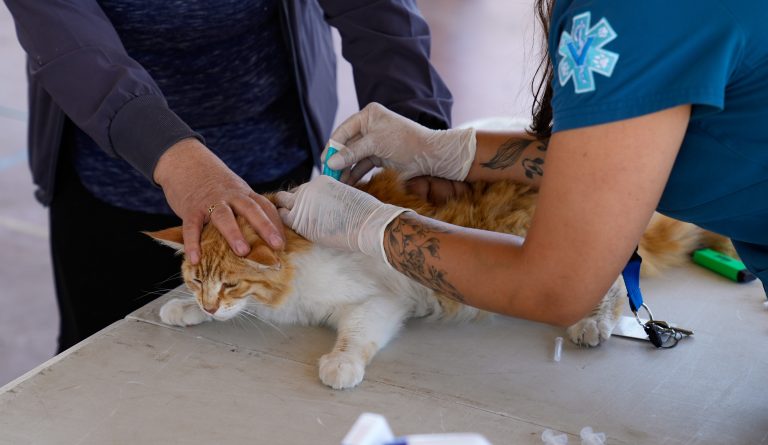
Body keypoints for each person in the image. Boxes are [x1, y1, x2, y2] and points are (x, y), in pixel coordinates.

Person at [276, 0, 768, 327]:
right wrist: (451, 149)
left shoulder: (627, 17)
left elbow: (556, 287)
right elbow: (616, 158)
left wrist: (369, 227)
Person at [3, 0, 452, 351]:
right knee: (96, 363)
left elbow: (376, 11)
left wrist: (416, 121)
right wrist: (176, 158)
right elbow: (71, 42)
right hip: (106, 177)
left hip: (273, 151)